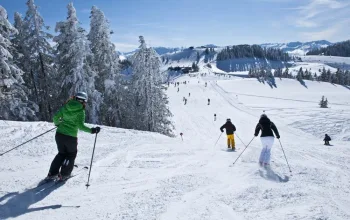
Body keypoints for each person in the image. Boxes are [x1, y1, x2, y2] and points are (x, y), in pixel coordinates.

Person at [47, 92, 101, 181]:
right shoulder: (80, 111)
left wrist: (58, 124)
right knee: (71, 155)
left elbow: (55, 117)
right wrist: (92, 130)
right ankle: (64, 174)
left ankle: (52, 173)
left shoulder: (66, 105)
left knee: (61, 153)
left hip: (59, 134)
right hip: (70, 137)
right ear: (83, 101)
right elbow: (80, 126)